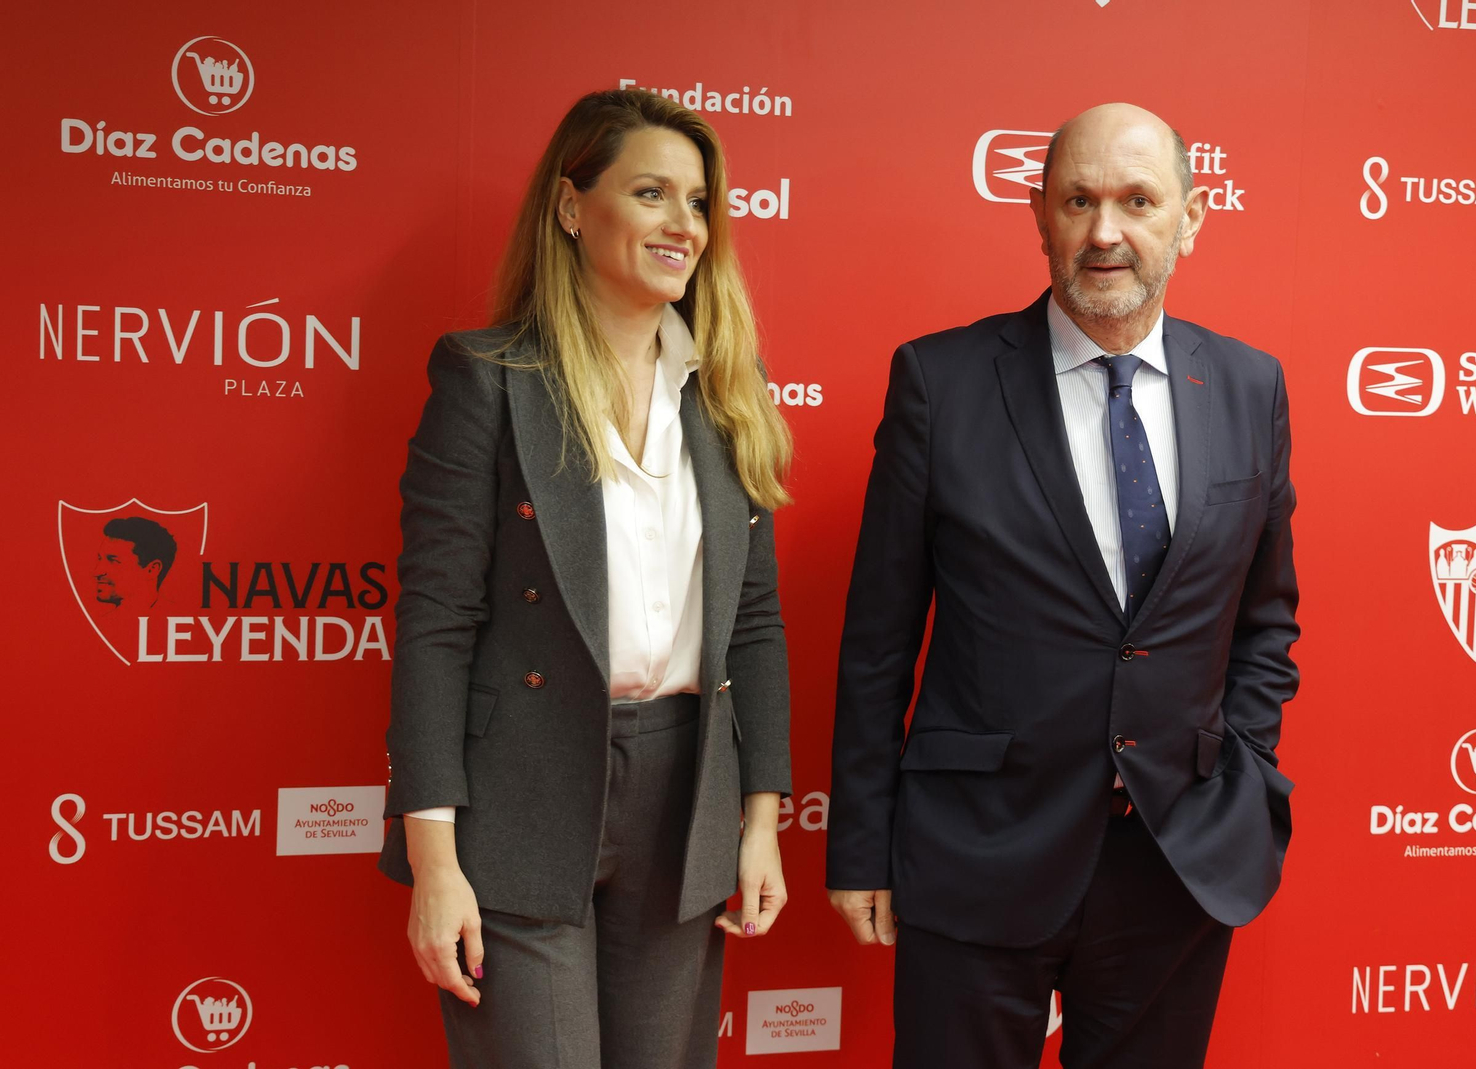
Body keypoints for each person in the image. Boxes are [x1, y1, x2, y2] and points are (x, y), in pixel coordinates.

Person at [826, 102, 1300, 1068]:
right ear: (1038, 214)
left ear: (1192, 217)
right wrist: (861, 847)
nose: (1105, 232)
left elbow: (1264, 618)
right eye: (1078, 200)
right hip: (976, 855)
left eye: (1137, 200)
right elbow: (878, 641)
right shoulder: (940, 380)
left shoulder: (1253, 387)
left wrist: (1237, 771)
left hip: (1177, 860)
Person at [378, 88, 795, 1069]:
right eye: (651, 192)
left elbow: (755, 623)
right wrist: (434, 862)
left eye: (697, 203)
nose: (681, 225)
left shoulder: (724, 394)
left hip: (683, 787)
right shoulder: (487, 378)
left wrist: (762, 818)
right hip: (518, 791)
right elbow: (438, 622)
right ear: (572, 208)